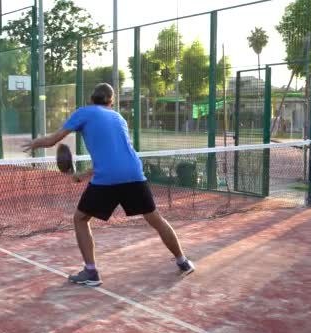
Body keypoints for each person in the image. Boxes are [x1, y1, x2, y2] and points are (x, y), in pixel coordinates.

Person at [22, 83, 194, 287]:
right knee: (155, 218)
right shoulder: (119, 118)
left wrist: (35, 144)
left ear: (91, 99)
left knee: (80, 219)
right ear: (111, 102)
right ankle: (183, 261)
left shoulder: (83, 113)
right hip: (134, 173)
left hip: (108, 179)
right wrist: (85, 174)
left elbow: (53, 140)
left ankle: (91, 272)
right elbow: (115, 155)